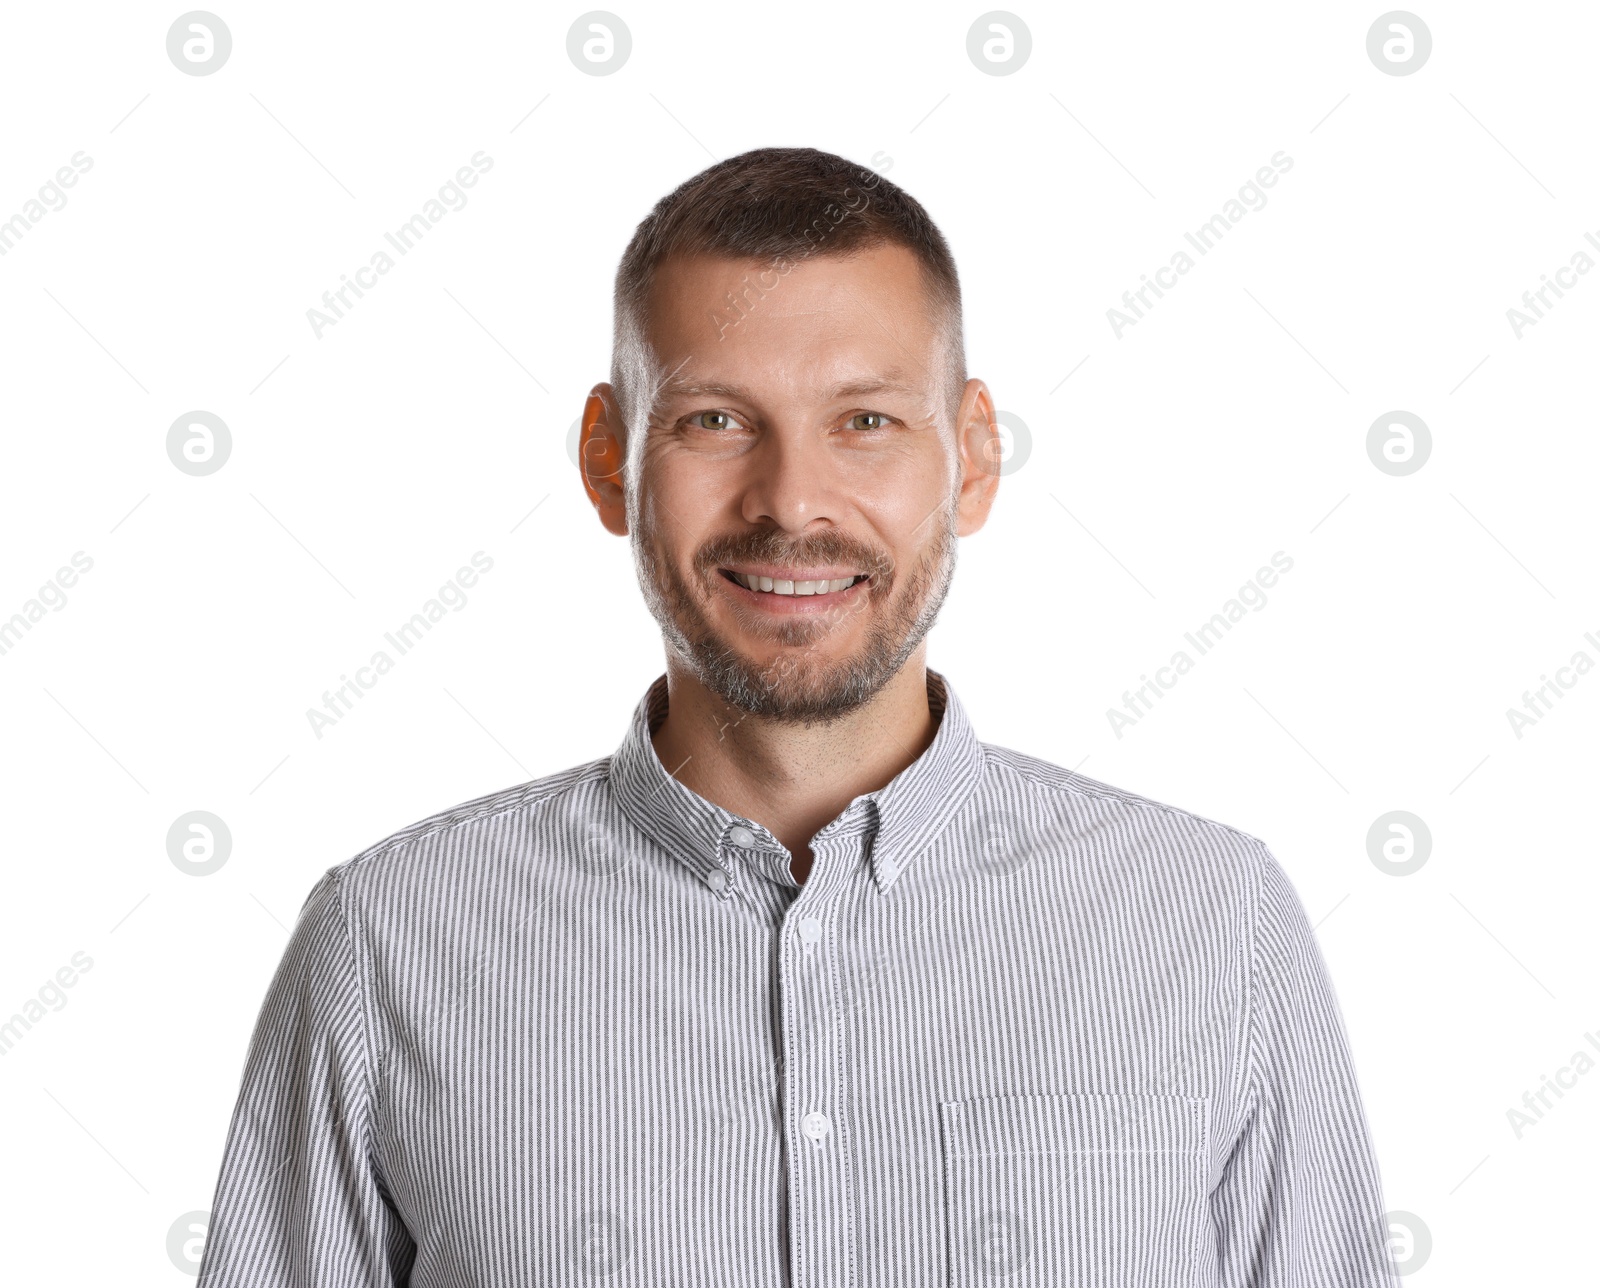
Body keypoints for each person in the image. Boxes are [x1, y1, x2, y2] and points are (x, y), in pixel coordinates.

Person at [198, 146, 1397, 1286]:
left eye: (864, 420)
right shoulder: (388, 941)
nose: (792, 502)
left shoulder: (1211, 924)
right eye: (715, 420)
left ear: (972, 458)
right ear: (609, 461)